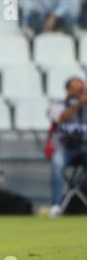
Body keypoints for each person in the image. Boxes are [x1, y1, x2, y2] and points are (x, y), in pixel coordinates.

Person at [47, 77, 87, 217]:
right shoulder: (58, 105)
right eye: (78, 89)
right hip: (64, 148)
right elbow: (60, 118)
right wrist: (77, 105)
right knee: (57, 162)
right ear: (68, 90)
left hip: (84, 148)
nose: (80, 92)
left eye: (82, 89)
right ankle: (56, 205)